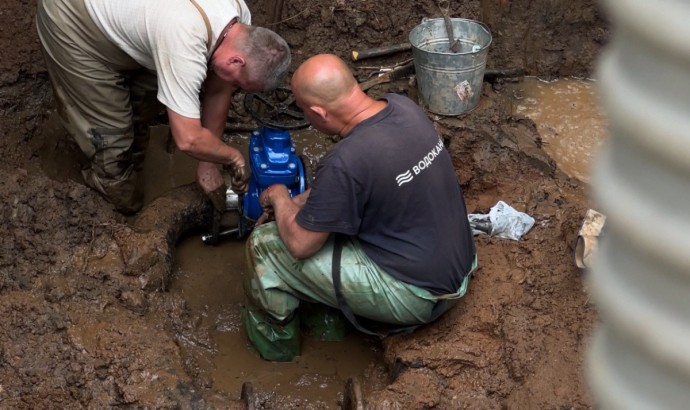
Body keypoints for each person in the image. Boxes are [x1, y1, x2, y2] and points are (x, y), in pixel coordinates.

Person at [241, 54, 477, 362]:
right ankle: (329, 326)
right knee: (331, 226)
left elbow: (300, 244)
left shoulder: (345, 160)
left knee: (265, 247)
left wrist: (280, 197)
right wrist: (300, 202)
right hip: (458, 268)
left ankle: (277, 353)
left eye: (302, 110)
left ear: (317, 112)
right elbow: (351, 186)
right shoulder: (402, 108)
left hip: (419, 297)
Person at [36, 0, 291, 214]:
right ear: (237, 60)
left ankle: (126, 142)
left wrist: (208, 162)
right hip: (75, 21)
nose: (233, 87)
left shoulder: (238, 19)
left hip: (133, 16)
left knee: (142, 110)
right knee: (112, 142)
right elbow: (188, 139)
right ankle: (108, 189)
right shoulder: (184, 38)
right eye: (238, 82)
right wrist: (232, 157)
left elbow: (218, 88)